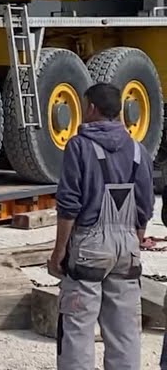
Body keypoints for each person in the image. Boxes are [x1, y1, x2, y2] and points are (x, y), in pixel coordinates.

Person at [51, 82, 152, 370]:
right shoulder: (137, 149)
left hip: (90, 245)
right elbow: (144, 204)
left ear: (92, 108)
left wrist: (60, 250)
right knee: (124, 332)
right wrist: (135, 239)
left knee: (77, 329)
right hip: (128, 246)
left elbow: (69, 203)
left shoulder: (79, 146)